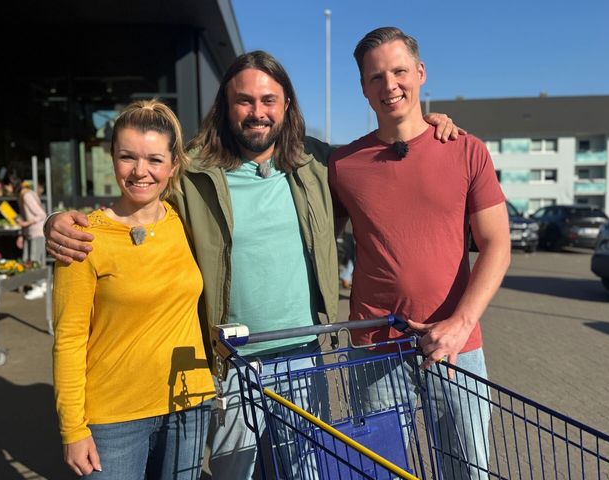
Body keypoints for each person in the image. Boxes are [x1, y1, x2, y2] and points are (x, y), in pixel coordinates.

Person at [45, 51, 461, 479]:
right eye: (244, 100)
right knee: (234, 474)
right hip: (232, 365)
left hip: (303, 357)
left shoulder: (317, 163)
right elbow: (138, 196)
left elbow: (382, 158)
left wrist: (425, 124)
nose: (257, 112)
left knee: (304, 473)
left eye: (268, 100)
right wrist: (55, 222)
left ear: (286, 105)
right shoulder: (193, 172)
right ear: (226, 106)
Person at [328, 27, 511, 479]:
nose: (389, 85)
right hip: (375, 348)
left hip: (455, 348)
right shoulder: (342, 165)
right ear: (363, 87)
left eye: (399, 71)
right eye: (376, 76)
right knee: (379, 471)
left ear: (421, 72)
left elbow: (497, 244)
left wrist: (460, 324)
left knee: (467, 472)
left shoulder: (465, 150)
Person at [52, 99, 215, 479]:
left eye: (155, 159)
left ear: (173, 165)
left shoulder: (187, 223)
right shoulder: (82, 238)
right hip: (114, 419)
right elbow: (69, 339)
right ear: (112, 158)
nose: (141, 171)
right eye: (128, 157)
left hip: (190, 403)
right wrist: (72, 429)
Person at [14, 178, 47, 299]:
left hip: (37, 232)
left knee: (34, 261)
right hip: (29, 233)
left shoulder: (27, 195)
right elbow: (25, 217)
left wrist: (26, 223)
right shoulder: (25, 195)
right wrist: (21, 234)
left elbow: (42, 214)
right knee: (28, 261)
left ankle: (40, 286)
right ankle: (38, 285)